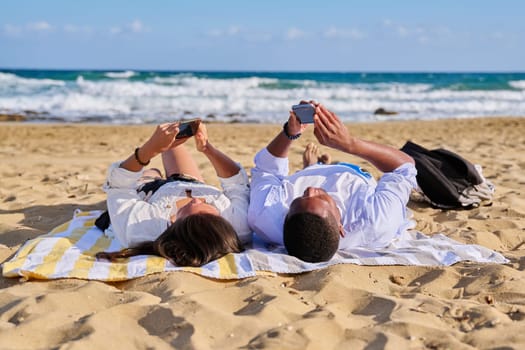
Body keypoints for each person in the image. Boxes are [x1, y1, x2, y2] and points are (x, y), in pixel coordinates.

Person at [248, 102, 417, 263]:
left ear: (284, 220)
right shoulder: (376, 221)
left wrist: (290, 132)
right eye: (321, 198)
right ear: (340, 227)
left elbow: (265, 169)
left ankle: (312, 167)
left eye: (300, 198)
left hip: (303, 175)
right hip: (353, 174)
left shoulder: (266, 216)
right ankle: (315, 166)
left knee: (296, 180)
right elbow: (405, 166)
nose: (311, 189)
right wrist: (349, 144)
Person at [96, 120, 251, 267]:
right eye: (206, 205)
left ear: (174, 225)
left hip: (149, 192)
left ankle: (153, 174)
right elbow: (237, 184)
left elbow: (119, 186)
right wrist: (207, 148)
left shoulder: (141, 228)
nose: (197, 200)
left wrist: (148, 150)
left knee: (151, 172)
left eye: (187, 208)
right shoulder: (238, 225)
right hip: (189, 182)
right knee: (173, 143)